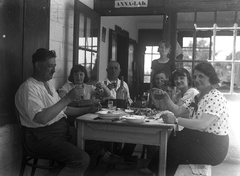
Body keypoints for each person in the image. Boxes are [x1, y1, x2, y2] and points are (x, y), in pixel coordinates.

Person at [142, 62, 229, 176]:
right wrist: (166, 97)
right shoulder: (197, 96)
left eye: (201, 76)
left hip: (214, 147)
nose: (197, 80)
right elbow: (178, 111)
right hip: (201, 139)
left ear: (210, 78)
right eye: (195, 77)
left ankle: (160, 172)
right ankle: (156, 170)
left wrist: (176, 121)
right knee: (174, 138)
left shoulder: (215, 97)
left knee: (175, 151)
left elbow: (203, 124)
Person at [15, 48, 90, 176]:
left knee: (91, 142)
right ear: (38, 66)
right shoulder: (28, 88)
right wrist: (67, 98)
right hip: (40, 136)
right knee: (80, 159)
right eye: (50, 66)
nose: (54, 70)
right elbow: (41, 118)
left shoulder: (47, 84)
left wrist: (89, 109)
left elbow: (62, 109)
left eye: (54, 66)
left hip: (60, 131)